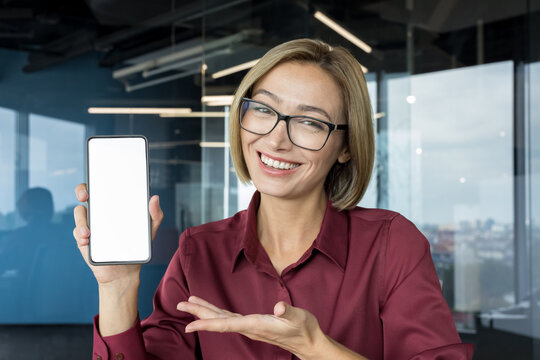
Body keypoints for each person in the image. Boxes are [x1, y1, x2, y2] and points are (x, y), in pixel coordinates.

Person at [73, 39, 474, 359]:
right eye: (263, 110)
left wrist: (318, 350)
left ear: (346, 146)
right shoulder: (198, 251)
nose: (276, 139)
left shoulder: (391, 245)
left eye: (310, 121)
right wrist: (118, 287)